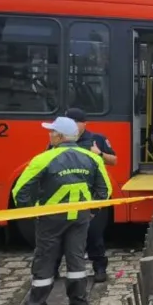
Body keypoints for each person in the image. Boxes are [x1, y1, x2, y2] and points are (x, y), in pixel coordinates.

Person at [12, 116, 112, 305]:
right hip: (80, 218)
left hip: (50, 220)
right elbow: (105, 190)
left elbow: (20, 191)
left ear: (59, 136)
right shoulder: (92, 159)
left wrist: (30, 212)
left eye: (52, 131)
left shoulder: (43, 159)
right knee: (76, 261)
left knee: (45, 261)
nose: (49, 134)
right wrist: (93, 210)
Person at [49, 108, 117, 283]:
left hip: (90, 198)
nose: (71, 125)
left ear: (84, 124)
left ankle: (100, 268)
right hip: (64, 198)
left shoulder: (97, 139)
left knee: (94, 235)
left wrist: (100, 154)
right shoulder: (58, 140)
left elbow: (114, 161)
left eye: (75, 122)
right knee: (58, 235)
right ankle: (52, 269)